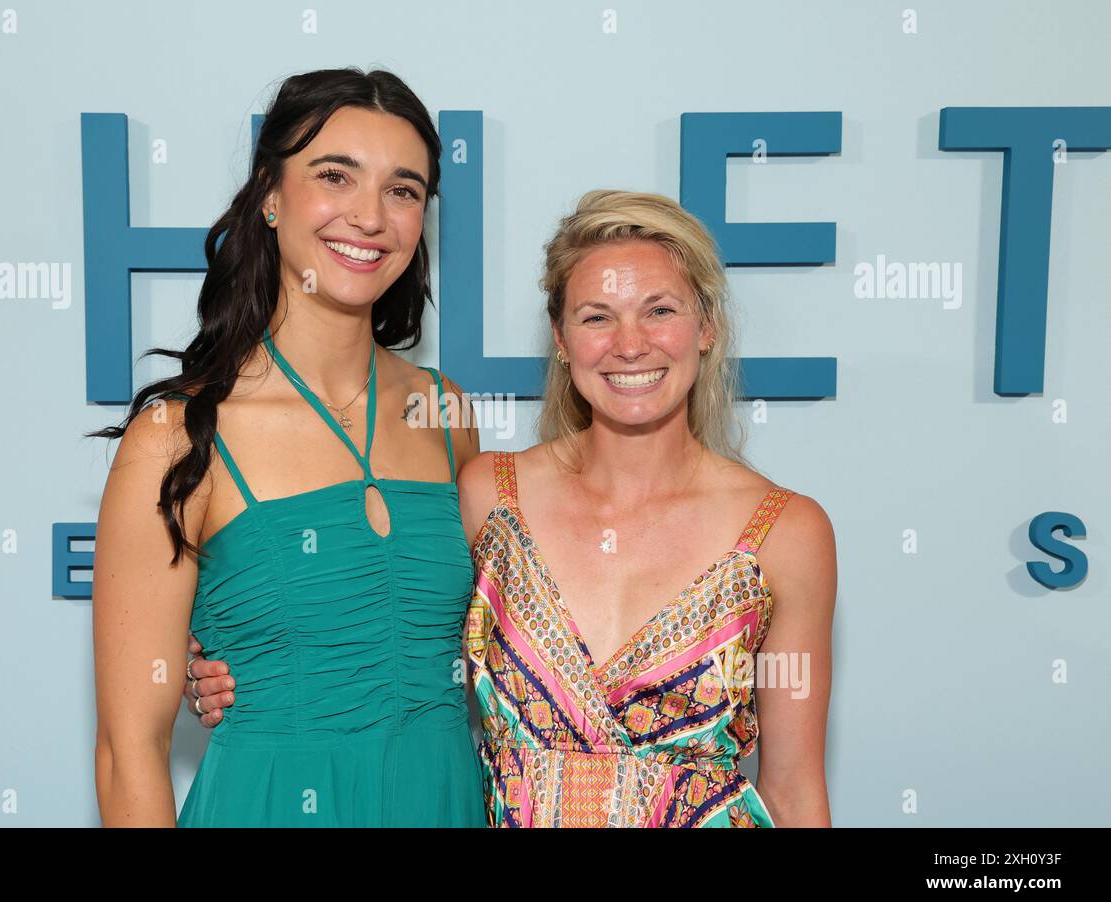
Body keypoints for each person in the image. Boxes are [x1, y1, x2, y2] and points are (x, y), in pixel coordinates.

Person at [190, 189, 836, 827]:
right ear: (560, 337)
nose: (630, 344)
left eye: (659, 310)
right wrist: (233, 659)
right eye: (596, 316)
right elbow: (384, 627)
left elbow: (795, 791)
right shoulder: (489, 495)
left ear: (708, 327)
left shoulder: (787, 533)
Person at [91, 67, 485, 827]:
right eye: (335, 175)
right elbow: (126, 749)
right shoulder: (176, 436)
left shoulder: (444, 411)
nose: (370, 216)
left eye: (403, 190)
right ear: (270, 195)